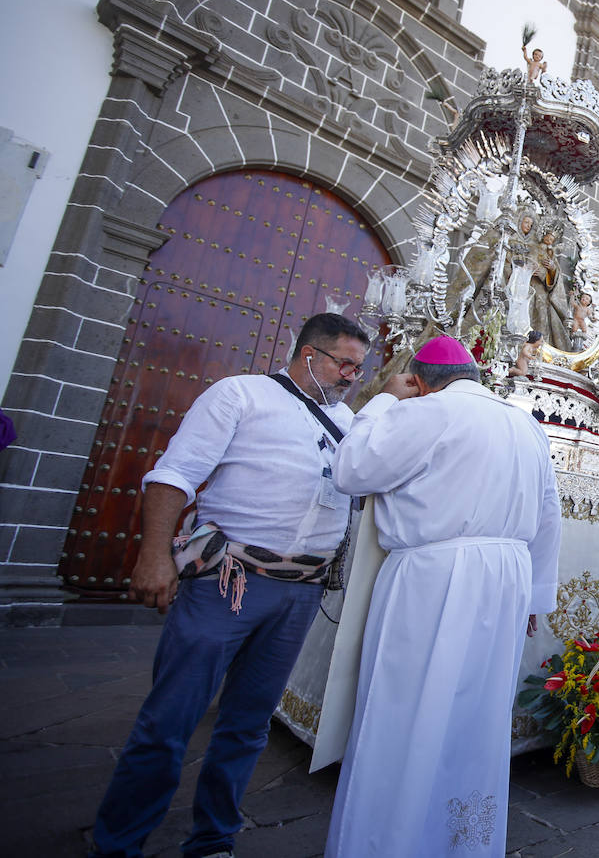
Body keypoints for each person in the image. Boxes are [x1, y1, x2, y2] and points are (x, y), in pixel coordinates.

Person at [89, 313, 370, 858]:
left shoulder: (352, 423)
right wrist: (154, 557)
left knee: (247, 725)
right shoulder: (239, 395)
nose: (352, 377)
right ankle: (119, 843)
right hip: (228, 582)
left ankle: (213, 838)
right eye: (345, 364)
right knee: (170, 719)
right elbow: (175, 474)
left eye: (360, 368)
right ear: (310, 355)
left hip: (300, 591)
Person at [325, 334, 560, 858]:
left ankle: (390, 840)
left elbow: (350, 469)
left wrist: (386, 398)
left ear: (423, 381)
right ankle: (459, 843)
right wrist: (533, 598)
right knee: (475, 718)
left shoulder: (428, 412)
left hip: (432, 580)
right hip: (505, 582)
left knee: (406, 712)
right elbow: (548, 514)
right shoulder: (525, 424)